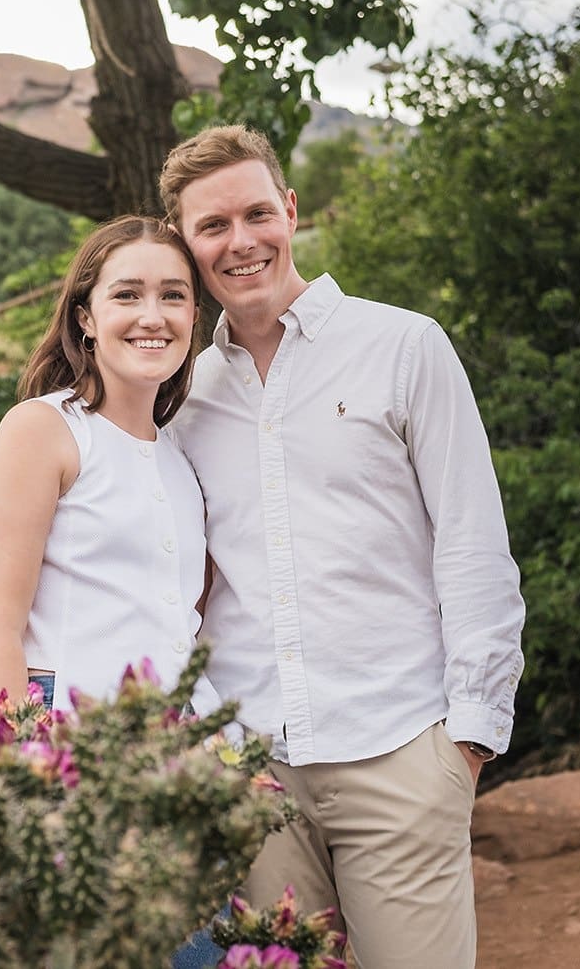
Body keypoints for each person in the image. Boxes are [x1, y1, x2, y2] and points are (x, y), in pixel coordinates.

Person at [159, 124, 526, 969]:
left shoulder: (403, 346)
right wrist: (208, 746)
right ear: (186, 243)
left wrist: (467, 741)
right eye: (212, 226)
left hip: (399, 751)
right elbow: (170, 582)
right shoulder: (181, 393)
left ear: (290, 211)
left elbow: (474, 547)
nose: (240, 240)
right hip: (252, 776)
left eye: (257, 213)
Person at [0, 214, 217, 716]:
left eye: (173, 295)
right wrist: (15, 767)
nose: (152, 316)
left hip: (182, 740)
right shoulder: (43, 430)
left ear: (193, 315)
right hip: (71, 734)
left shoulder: (182, 456)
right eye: (127, 295)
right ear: (86, 318)